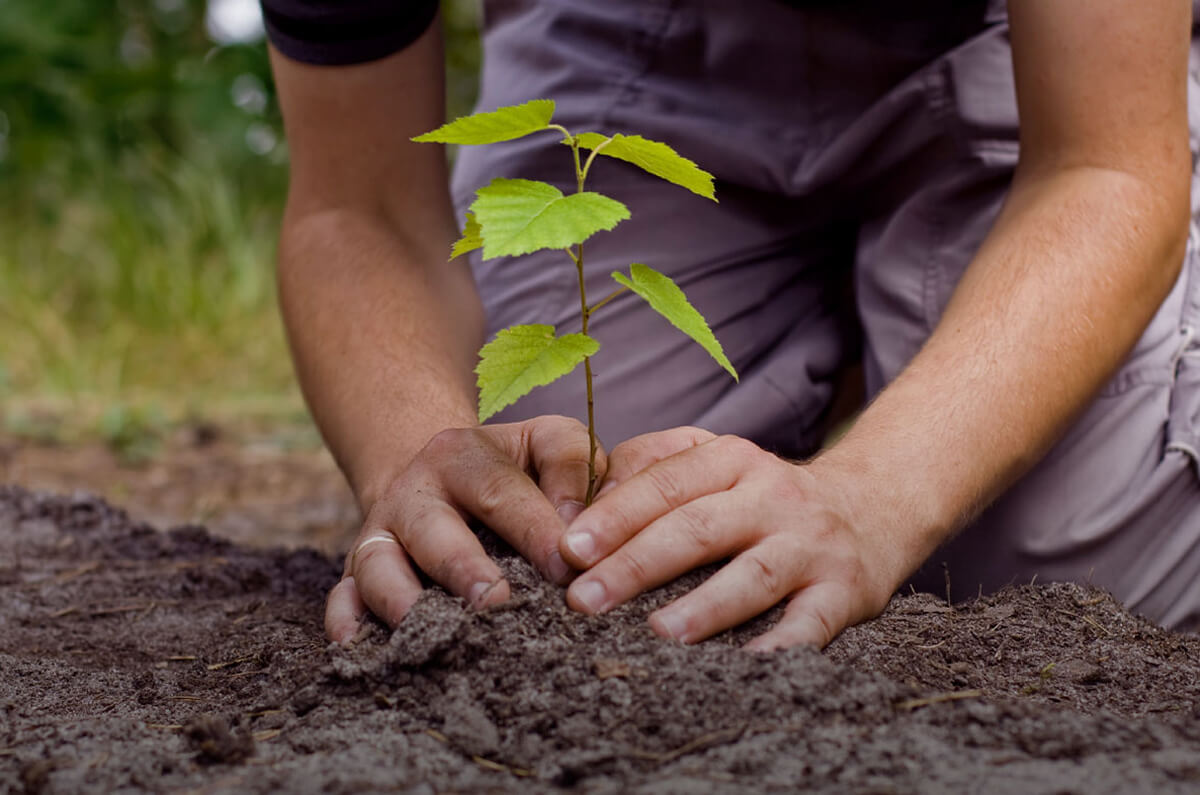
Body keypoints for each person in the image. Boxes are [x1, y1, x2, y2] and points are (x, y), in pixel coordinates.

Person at [262, 0, 1199, 650]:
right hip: (629, 36)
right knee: (562, 517)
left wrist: (876, 494)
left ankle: (886, 352)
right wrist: (413, 456)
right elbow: (360, 206)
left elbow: (1103, 166)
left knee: (1081, 564)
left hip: (1023, 45)